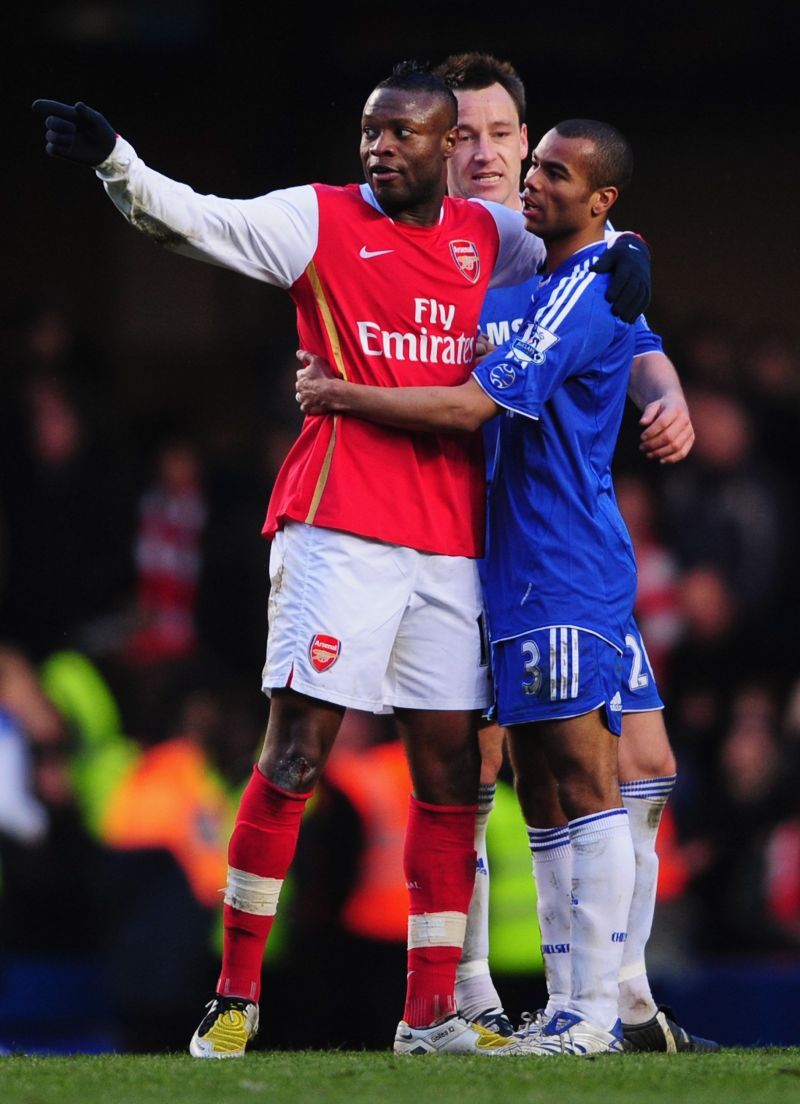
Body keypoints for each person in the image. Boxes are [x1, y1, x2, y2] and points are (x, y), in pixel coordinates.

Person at [32, 63, 652, 1058]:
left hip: (450, 541)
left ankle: (430, 1017)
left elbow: (588, 246)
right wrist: (117, 163)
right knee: (294, 754)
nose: (379, 147)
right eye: (370, 130)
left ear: (448, 150)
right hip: (338, 528)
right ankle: (233, 998)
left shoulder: (488, 237)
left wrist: (631, 256)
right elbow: (194, 222)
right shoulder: (316, 219)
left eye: (403, 133)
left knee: (452, 775)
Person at [295, 117, 699, 1056]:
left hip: (563, 563)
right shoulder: (523, 279)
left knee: (601, 775)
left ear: (595, 198)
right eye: (533, 165)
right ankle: (570, 1006)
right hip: (504, 567)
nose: (525, 177)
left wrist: (341, 394)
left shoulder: (586, 282)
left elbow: (480, 402)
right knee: (547, 788)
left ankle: (602, 1010)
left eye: (546, 166)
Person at [429, 52, 716, 1053]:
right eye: (464, 135)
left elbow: (610, 308)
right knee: (520, 779)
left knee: (624, 766)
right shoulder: (459, 246)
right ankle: (528, 998)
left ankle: (603, 1000)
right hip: (489, 552)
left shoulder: (580, 262)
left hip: (559, 556)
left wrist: (663, 388)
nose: (490, 155)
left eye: (504, 138)